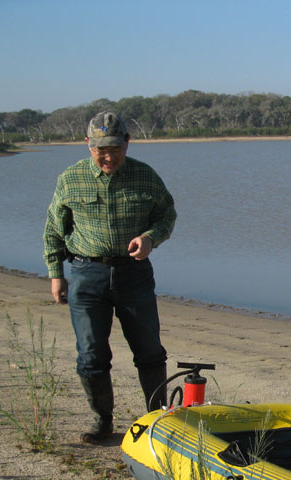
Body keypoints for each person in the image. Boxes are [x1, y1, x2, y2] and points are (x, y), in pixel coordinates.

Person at [43, 111, 176, 444]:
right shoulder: (70, 179)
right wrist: (56, 274)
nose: (108, 156)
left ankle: (155, 422)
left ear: (127, 143)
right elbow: (53, 230)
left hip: (134, 276)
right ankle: (102, 420)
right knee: (91, 356)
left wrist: (150, 238)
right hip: (87, 276)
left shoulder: (146, 177)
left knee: (149, 351)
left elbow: (166, 215)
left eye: (115, 148)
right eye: (100, 149)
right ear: (88, 145)